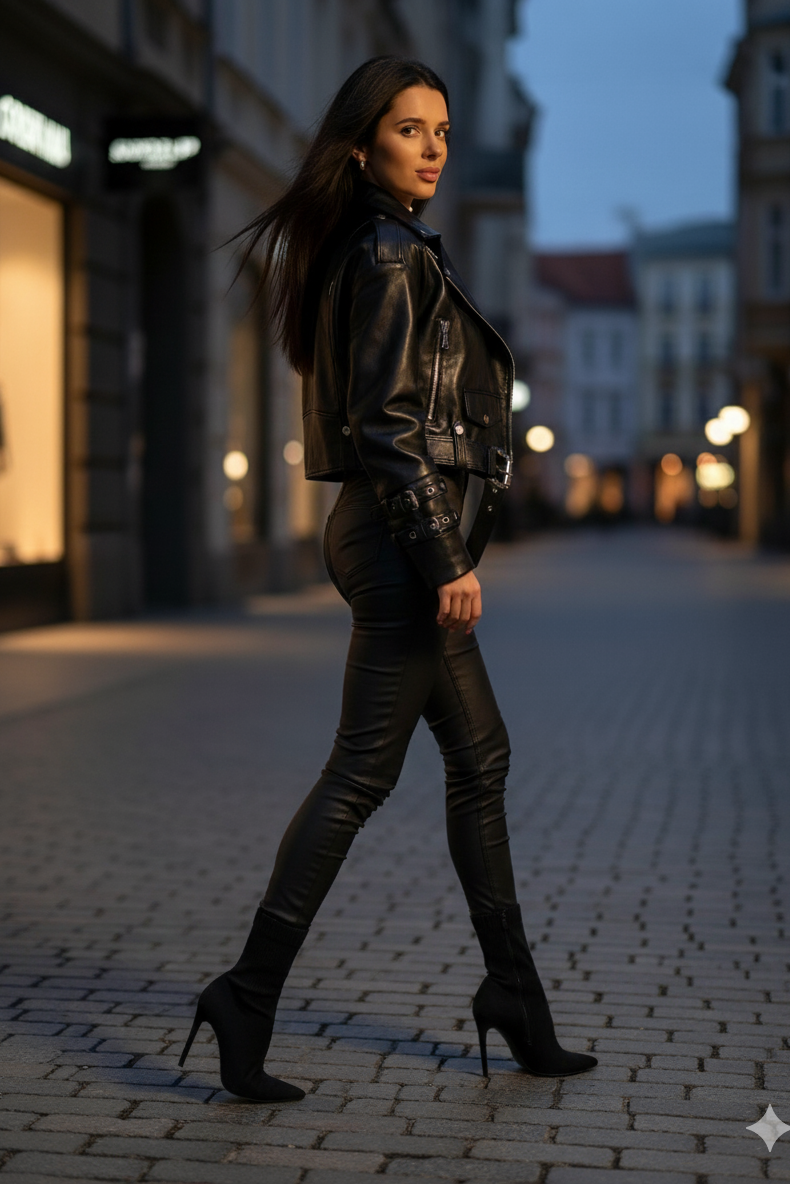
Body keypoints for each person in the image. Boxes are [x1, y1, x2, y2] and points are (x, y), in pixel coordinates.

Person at [179, 56, 597, 1101]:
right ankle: (248, 990)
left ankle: (513, 994)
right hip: (402, 539)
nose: (434, 149)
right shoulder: (386, 251)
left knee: (480, 757)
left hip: (392, 537)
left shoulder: (382, 246)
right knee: (361, 772)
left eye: (443, 132)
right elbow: (386, 423)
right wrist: (443, 556)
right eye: (410, 130)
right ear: (363, 143)